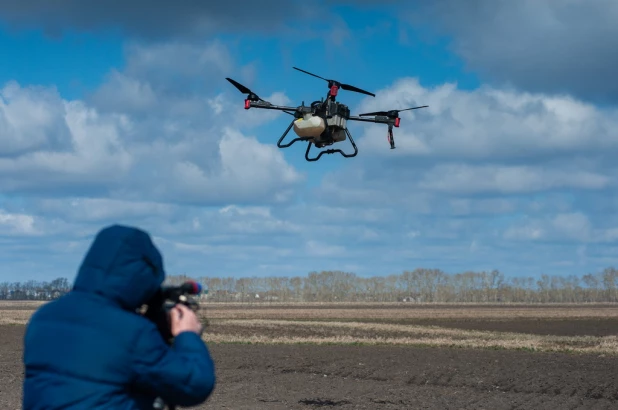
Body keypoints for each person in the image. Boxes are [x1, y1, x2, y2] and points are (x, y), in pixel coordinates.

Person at [22, 224, 216, 409]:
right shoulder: (132, 333)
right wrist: (187, 335)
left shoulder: (43, 318)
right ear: (143, 278)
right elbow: (194, 385)